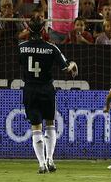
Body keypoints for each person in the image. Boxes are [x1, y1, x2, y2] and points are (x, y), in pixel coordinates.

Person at [19, 15, 78, 173]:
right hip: (46, 89)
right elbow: (67, 69)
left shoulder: (21, 47)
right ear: (43, 29)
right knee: (50, 123)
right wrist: (73, 64)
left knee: (35, 127)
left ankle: (41, 164)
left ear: (28, 30)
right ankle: (50, 159)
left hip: (30, 89)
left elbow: (21, 63)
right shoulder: (51, 48)